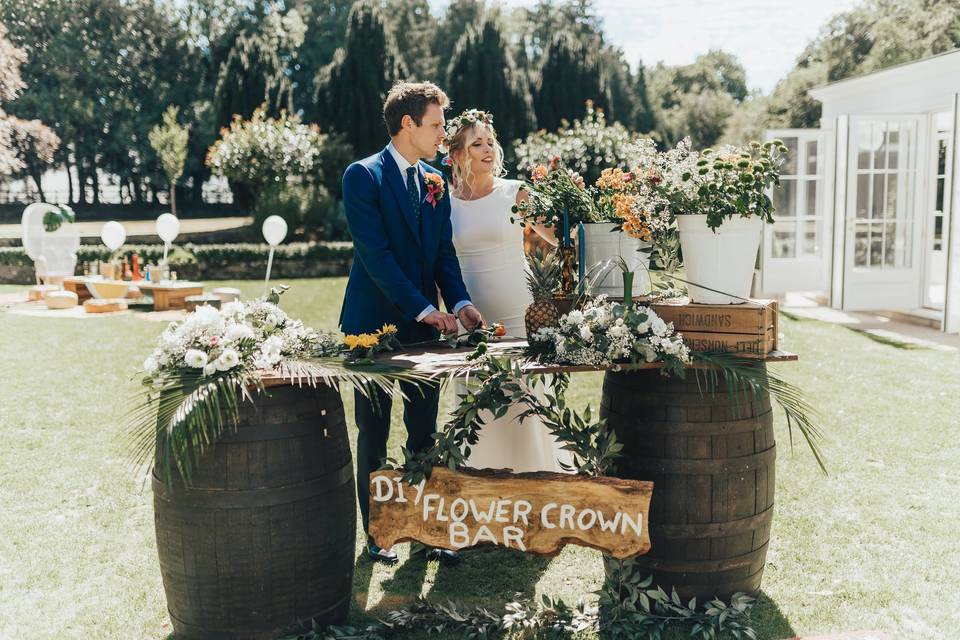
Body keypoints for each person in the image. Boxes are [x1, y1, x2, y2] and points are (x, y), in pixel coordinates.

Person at [339, 82, 484, 565]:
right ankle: (379, 534)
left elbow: (443, 253)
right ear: (407, 125)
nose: (444, 135)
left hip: (429, 329)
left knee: (425, 430)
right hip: (370, 326)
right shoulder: (362, 176)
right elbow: (376, 258)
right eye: (437, 125)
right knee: (374, 431)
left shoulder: (436, 180)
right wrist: (426, 308)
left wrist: (460, 302)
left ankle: (429, 530)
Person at [445, 109, 572, 473]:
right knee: (476, 402)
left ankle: (536, 476)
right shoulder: (444, 202)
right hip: (469, 316)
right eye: (476, 144)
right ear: (457, 155)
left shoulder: (515, 193)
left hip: (519, 311)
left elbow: (561, 238)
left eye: (490, 142)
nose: (487, 149)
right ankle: (480, 485)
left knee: (524, 398)